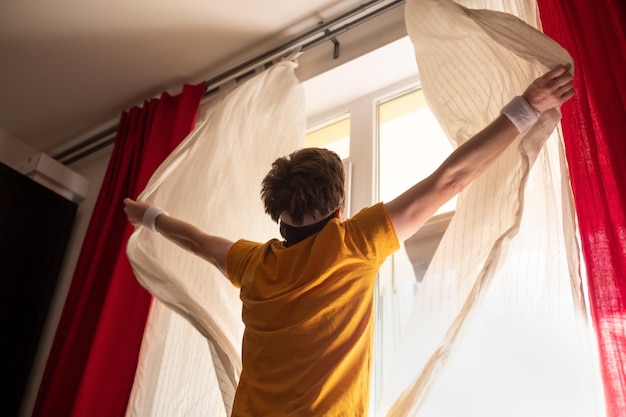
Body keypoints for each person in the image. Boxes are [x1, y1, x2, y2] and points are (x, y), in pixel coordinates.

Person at [124, 64, 574, 417]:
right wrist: (528, 107)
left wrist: (148, 216)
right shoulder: (356, 242)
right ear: (339, 204)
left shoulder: (252, 264)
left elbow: (198, 242)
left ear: (276, 209)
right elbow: (449, 180)